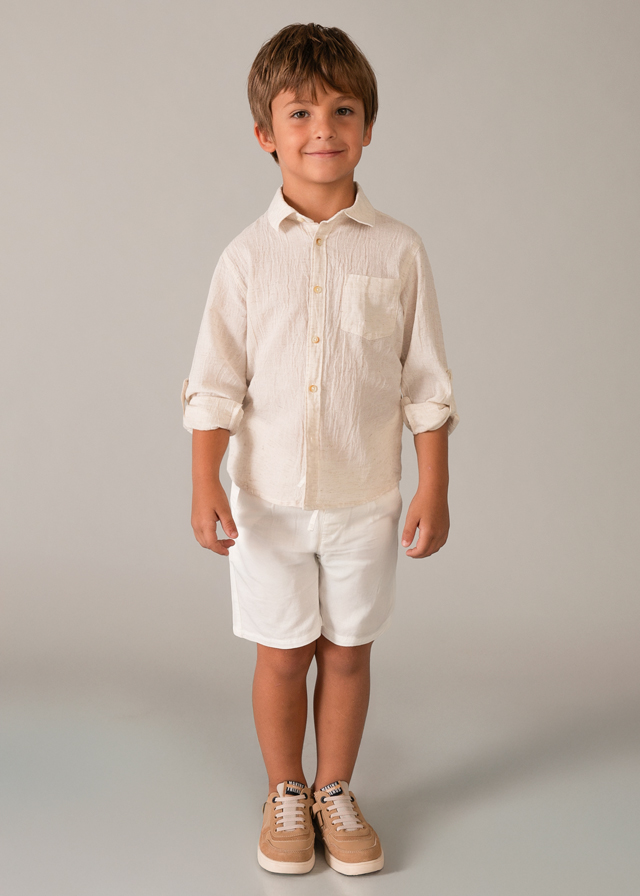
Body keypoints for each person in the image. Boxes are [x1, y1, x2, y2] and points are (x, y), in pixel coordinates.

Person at [181, 22, 459, 877]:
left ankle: (335, 789)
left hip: (365, 500)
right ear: (265, 134)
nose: (322, 129)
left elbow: (425, 381)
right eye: (299, 112)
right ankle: (286, 792)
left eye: (342, 110)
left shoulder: (399, 250)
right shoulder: (245, 258)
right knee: (281, 653)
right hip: (265, 501)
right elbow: (214, 382)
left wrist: (434, 485)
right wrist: (204, 482)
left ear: (369, 124)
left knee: (346, 653)